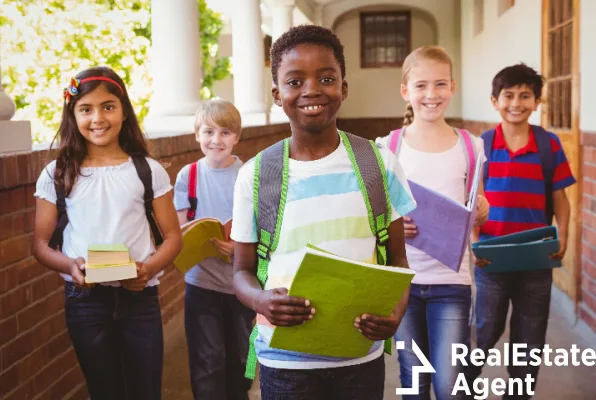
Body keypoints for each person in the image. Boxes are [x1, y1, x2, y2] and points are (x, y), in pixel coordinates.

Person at [230, 25, 417, 400]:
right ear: (276, 94)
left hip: (358, 358)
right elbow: (241, 272)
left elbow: (397, 257)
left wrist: (395, 314)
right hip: (284, 363)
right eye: (295, 81)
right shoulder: (256, 175)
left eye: (326, 78)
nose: (312, 90)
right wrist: (259, 300)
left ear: (343, 88)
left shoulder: (378, 164)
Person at [33, 66, 182, 400]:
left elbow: (173, 237)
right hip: (86, 302)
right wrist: (70, 266)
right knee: (105, 391)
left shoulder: (147, 170)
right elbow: (40, 244)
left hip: (139, 298)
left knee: (145, 391)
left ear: (124, 110)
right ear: (72, 115)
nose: (97, 118)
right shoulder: (57, 173)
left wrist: (149, 269)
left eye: (108, 106)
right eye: (86, 109)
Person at [376, 45, 490, 400]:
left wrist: (482, 208)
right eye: (421, 85)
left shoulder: (470, 146)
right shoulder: (389, 147)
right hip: (404, 283)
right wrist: (393, 223)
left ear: (453, 88)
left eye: (440, 84)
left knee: (450, 385)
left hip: (452, 283)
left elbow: (478, 201)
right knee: (413, 383)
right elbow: (375, 214)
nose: (431, 94)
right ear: (405, 91)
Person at [470, 63, 576, 399]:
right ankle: (461, 391)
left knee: (529, 339)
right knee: (483, 333)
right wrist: (476, 244)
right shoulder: (481, 146)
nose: (516, 103)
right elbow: (472, 202)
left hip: (535, 260)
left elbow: (561, 200)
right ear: (494, 100)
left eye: (525, 96)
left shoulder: (549, 145)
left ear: (537, 102)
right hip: (492, 259)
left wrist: (565, 238)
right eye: (509, 95)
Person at [173, 99, 254, 400]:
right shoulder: (188, 176)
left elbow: (264, 232)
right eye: (208, 132)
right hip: (201, 284)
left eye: (224, 133)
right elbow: (180, 231)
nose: (216, 140)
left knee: (242, 359)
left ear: (237, 136)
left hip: (241, 284)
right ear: (197, 135)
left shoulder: (249, 175)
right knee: (207, 362)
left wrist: (237, 248)